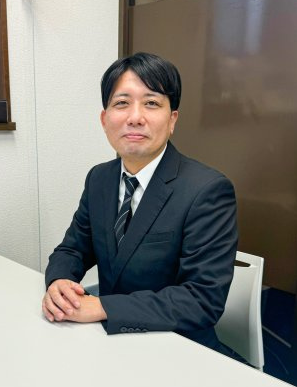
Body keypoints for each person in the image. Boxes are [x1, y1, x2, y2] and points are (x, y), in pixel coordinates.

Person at [42, 52, 239, 357]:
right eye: (122, 103)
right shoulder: (99, 178)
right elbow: (73, 249)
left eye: (151, 103)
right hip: (111, 345)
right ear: (104, 119)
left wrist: (103, 307)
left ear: (172, 120)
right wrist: (60, 282)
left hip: (179, 351)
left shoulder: (207, 190)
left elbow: (202, 300)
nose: (135, 117)